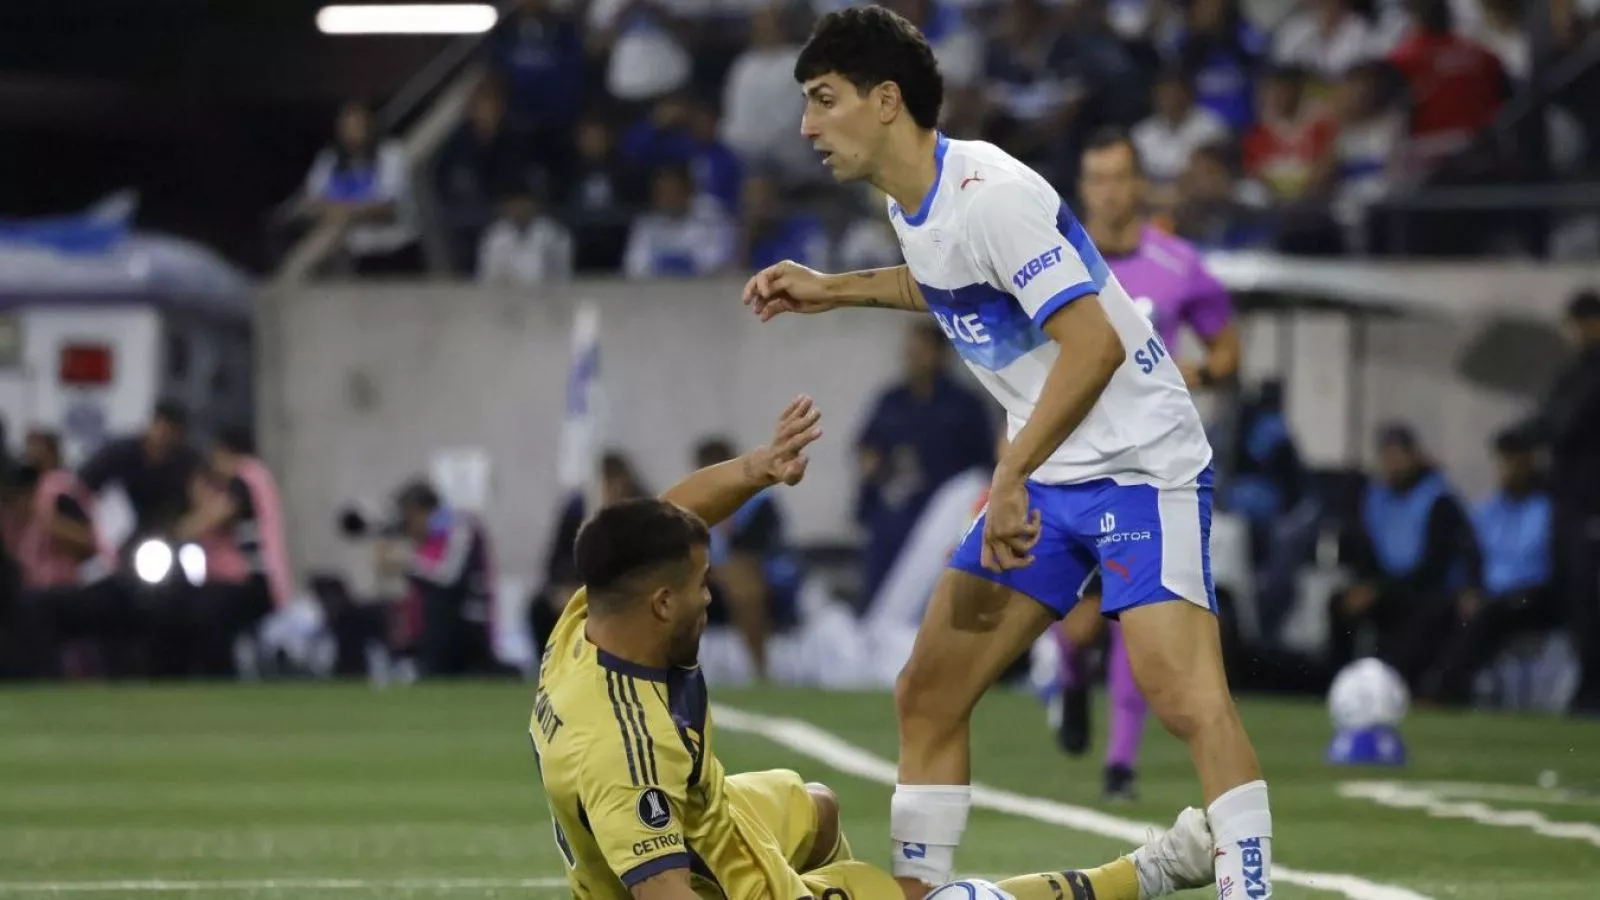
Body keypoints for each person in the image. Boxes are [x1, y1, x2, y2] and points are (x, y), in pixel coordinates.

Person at [743, 8, 1267, 898]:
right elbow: (947, 278)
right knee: (928, 689)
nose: (806, 126)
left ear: (885, 100)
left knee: (1183, 696)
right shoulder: (912, 201)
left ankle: (1248, 889)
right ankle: (919, 895)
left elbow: (1095, 346)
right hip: (1049, 468)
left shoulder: (992, 194)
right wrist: (834, 289)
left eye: (823, 100)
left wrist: (1010, 471)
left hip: (1140, 464)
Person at [530, 395, 1214, 900]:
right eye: (700, 585)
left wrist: (758, 468)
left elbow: (675, 515)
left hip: (710, 814)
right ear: (661, 603)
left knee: (817, 805)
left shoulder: (591, 619)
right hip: (711, 876)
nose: (711, 597)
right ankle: (1152, 870)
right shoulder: (628, 752)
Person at [1052, 127, 1239, 802]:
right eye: (1096, 179)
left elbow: (1226, 348)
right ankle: (1070, 673)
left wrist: (1202, 372)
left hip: (1149, 471)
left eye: (1118, 177)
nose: (1108, 192)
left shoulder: (1179, 263)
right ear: (1083, 188)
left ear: (1139, 184)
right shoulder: (1055, 261)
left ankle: (1120, 763)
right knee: (1072, 622)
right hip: (1069, 461)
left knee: (1139, 615)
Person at [1328, 424, 1481, 688]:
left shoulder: (1438, 499)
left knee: (1419, 612)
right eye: (1387, 456)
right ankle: (1342, 681)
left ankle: (1403, 684)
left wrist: (1380, 589)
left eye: (1398, 456)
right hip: (1387, 588)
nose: (1393, 464)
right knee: (1339, 603)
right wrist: (1366, 586)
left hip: (1426, 590)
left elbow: (1435, 566)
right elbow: (1368, 555)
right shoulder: (1375, 498)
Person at [1420, 427, 1557, 705]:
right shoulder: (1489, 510)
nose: (1507, 470)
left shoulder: (1550, 510)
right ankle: (1411, 681)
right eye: (1503, 462)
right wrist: (1469, 589)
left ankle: (1445, 692)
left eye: (1513, 461)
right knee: (1438, 607)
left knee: (1487, 613)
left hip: (1533, 598)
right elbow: (1472, 559)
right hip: (1490, 595)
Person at [1522, 289, 1600, 713]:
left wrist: (1531, 433)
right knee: (1573, 597)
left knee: (1589, 597)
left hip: (1590, 504)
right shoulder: (1576, 371)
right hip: (1569, 502)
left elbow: (1566, 422)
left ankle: (1592, 689)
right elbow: (1552, 415)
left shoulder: (1592, 374)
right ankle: (1586, 687)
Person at [172, 428, 293, 677]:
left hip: (257, 579)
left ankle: (219, 675)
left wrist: (175, 532)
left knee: (206, 612)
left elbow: (216, 514)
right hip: (263, 579)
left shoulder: (245, 478)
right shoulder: (260, 478)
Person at [79, 400, 203, 548]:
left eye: (171, 431)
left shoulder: (188, 464)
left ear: (180, 436)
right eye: (161, 428)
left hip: (163, 538)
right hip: (111, 532)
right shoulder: (120, 453)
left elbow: (198, 501)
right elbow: (83, 485)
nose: (164, 436)